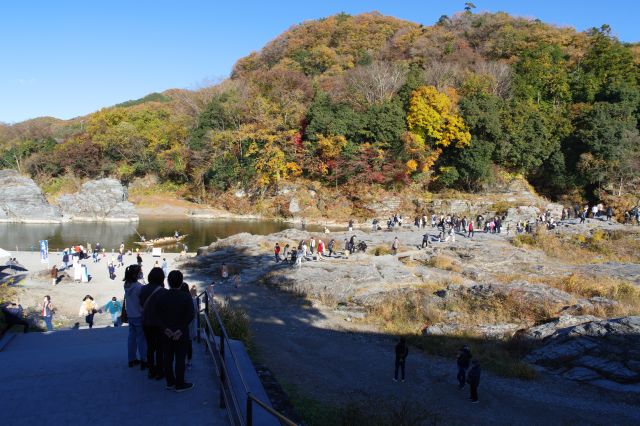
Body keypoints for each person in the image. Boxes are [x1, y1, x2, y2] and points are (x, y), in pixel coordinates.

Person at [156, 270, 195, 392]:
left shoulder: (161, 296)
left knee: (167, 358)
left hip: (166, 333)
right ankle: (180, 383)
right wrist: (180, 329)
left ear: (168, 282)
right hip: (181, 333)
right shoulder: (186, 297)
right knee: (180, 358)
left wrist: (165, 329)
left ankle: (170, 382)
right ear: (181, 281)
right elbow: (190, 315)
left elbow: (157, 315)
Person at [141, 267, 167, 380]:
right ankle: (160, 371)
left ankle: (151, 371)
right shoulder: (163, 291)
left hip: (146, 322)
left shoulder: (142, 289)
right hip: (159, 323)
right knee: (160, 348)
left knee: (150, 347)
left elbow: (141, 303)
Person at [123, 264, 147, 369]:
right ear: (135, 274)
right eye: (139, 272)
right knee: (141, 339)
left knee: (131, 338)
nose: (141, 273)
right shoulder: (138, 287)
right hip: (138, 315)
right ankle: (144, 359)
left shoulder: (126, 285)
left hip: (130, 315)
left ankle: (131, 359)